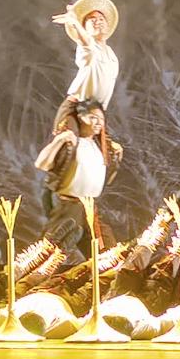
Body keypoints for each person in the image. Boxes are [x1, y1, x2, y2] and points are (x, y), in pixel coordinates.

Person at [35, 98, 122, 266]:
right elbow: (41, 163)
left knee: (107, 253)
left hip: (90, 207)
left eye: (101, 119)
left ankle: (103, 280)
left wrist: (115, 157)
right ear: (80, 117)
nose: (98, 123)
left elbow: (106, 178)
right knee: (48, 252)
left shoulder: (99, 146)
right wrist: (60, 140)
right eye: (93, 117)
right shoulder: (71, 142)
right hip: (69, 205)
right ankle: (25, 278)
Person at [51, 0, 120, 107]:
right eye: (92, 20)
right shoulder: (87, 46)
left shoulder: (111, 54)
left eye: (101, 19)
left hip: (97, 110)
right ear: (84, 28)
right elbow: (87, 44)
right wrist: (75, 23)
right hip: (77, 107)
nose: (97, 22)